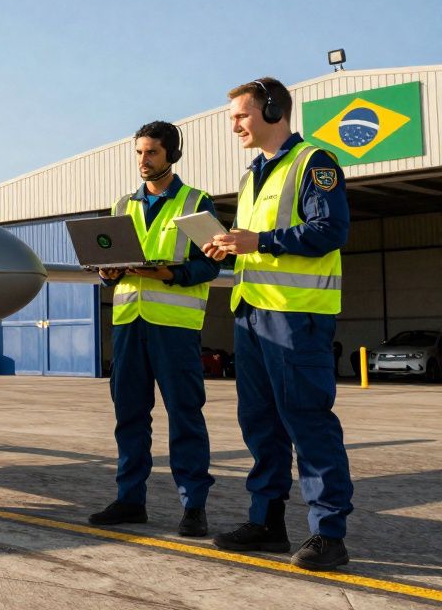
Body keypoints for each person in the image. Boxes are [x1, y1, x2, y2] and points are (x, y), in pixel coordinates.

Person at [202, 77, 354, 571]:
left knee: (307, 420)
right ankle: (267, 523)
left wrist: (260, 241)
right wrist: (228, 244)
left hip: (295, 317)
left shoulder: (315, 162)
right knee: (260, 424)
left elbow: (329, 230)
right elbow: (256, 241)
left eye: (241, 116)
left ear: (272, 110)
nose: (235, 126)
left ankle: (329, 534)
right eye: (232, 119)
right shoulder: (253, 175)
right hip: (251, 314)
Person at [88, 121, 220, 537]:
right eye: (139, 153)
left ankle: (193, 506)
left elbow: (212, 262)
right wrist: (107, 272)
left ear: (172, 155)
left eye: (152, 153)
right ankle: (130, 500)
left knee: (184, 416)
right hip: (129, 324)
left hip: (174, 327)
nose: (143, 161)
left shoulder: (196, 203)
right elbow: (111, 269)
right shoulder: (122, 205)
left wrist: (170, 273)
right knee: (129, 416)